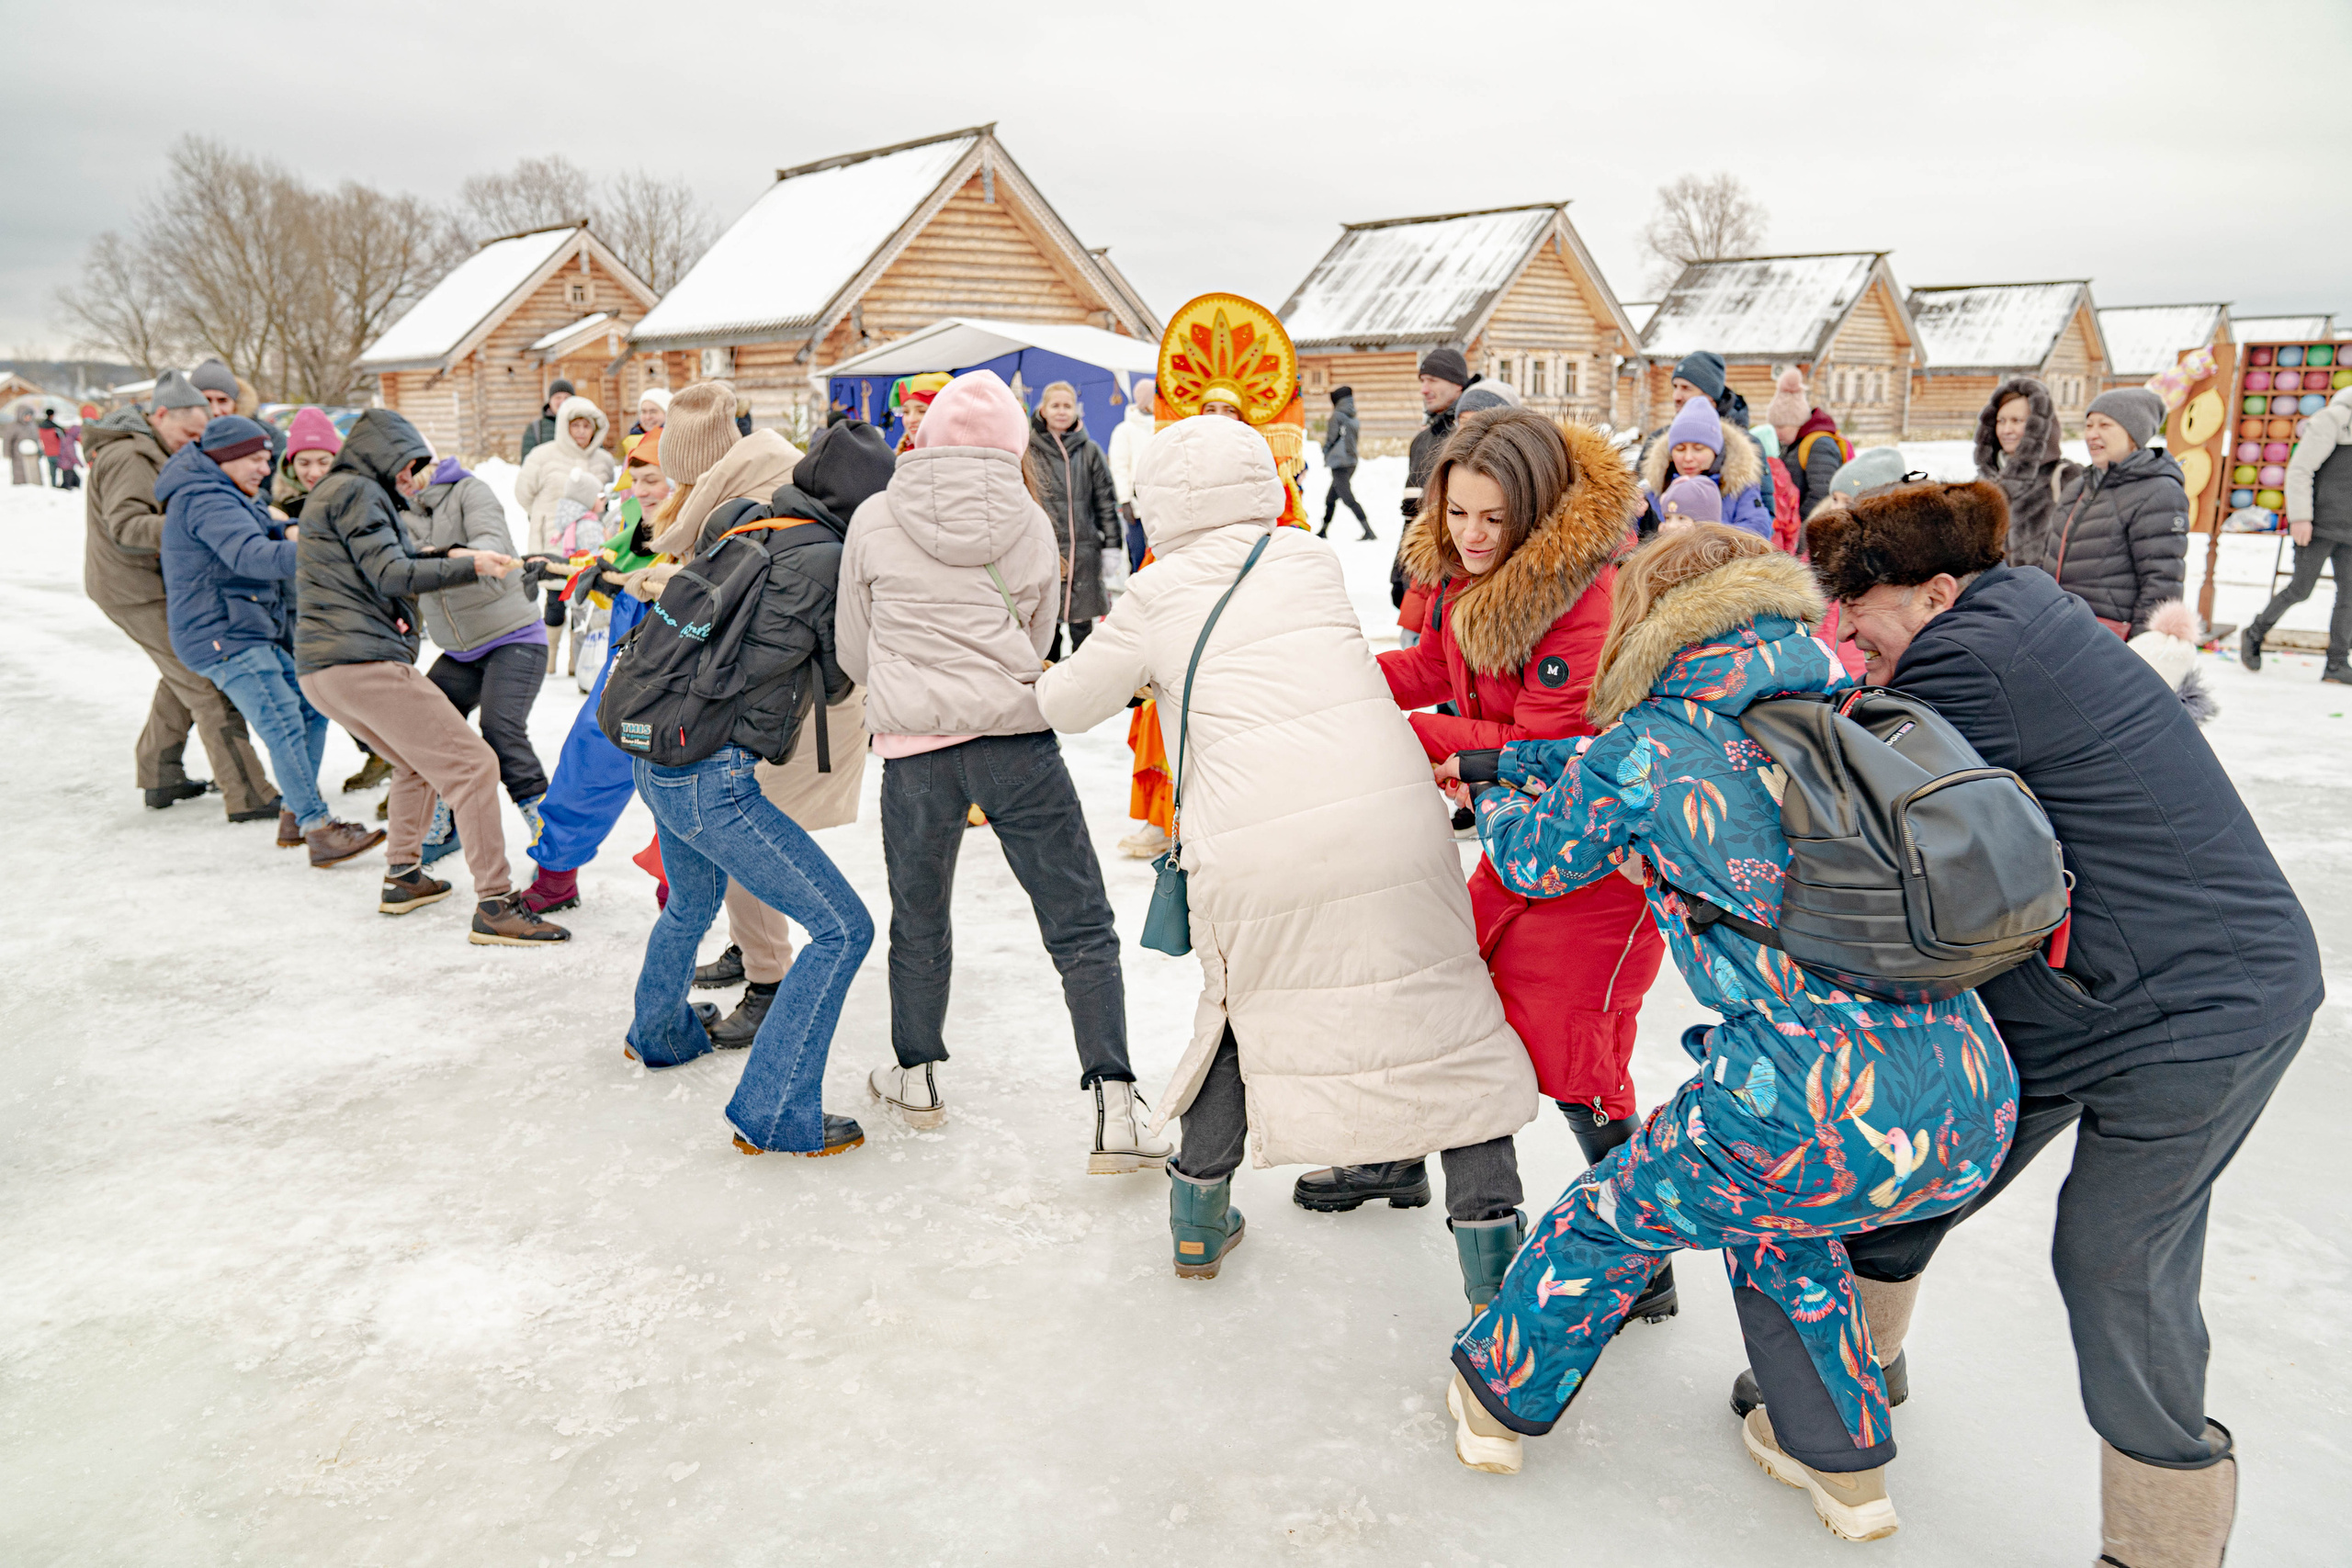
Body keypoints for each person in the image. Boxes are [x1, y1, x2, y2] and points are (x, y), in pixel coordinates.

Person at [1448, 525, 2017, 1547]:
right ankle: (1843, 1466)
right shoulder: (1843, 706)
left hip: (1804, 1096)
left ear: (1649, 622)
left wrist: (1491, 785)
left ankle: (1494, 1399)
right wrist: (1529, 755)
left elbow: (1535, 862)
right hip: (1968, 1090)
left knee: (1611, 1218)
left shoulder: (1648, 745)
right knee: (1784, 1225)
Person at [1792, 481, 2322, 1566]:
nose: (1845, 630)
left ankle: (2165, 1536)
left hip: (2199, 1011)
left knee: (2115, 1260)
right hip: (2089, 985)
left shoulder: (1967, 662)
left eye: (1862, 607)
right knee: (1932, 1158)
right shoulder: (2011, 620)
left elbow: (1879, 827)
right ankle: (1849, 1387)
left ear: (1937, 592)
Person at [1036, 413, 1540, 1303]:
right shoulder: (1307, 559)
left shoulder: (1155, 594)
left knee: (1246, 1013)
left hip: (1260, 843)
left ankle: (1197, 1219)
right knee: (1438, 1013)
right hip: (1390, 814)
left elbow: (1067, 704)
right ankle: (1493, 1260)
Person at [1314, 407, 1675, 1305]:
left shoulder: (1581, 593)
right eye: (1457, 514)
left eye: (1491, 519)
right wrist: (1335, 675)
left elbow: (1551, 742)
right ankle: (1399, 1159)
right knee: (1445, 995)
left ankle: (1645, 1260)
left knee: (1575, 1060)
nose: (1470, 537)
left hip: (1597, 861)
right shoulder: (1466, 573)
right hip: (1520, 848)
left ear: (1536, 510)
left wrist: (1425, 737)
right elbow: (1437, 665)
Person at [834, 370, 1164, 1168]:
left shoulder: (875, 517)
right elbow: (1042, 634)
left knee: (920, 918)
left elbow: (853, 649)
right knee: (1079, 921)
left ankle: (916, 1076)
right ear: (1014, 443)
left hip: (914, 755)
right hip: (1018, 745)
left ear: (929, 433)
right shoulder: (1030, 518)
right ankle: (1115, 1104)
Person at [619, 393, 874, 1161]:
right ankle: (774, 1112)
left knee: (693, 898)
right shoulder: (826, 558)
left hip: (652, 747)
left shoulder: (741, 523)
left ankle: (658, 1032)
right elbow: (840, 679)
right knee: (843, 928)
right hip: (709, 777)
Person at [292, 409, 568, 946]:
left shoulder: (336, 492)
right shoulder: (357, 492)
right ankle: (496, 903)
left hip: (323, 670)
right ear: (382, 456)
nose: (409, 478)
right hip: (361, 663)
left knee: (414, 764)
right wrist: (470, 566)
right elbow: (393, 571)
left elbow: (392, 560)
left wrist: (457, 555)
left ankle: (404, 877)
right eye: (404, 466)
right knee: (474, 764)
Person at [157, 414, 384, 866]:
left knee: (311, 707)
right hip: (220, 633)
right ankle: (317, 828)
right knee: (281, 721)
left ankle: (293, 814)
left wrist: (290, 529)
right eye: (257, 460)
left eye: (267, 459)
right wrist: (326, 548)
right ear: (228, 458)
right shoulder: (205, 498)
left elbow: (262, 528)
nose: (266, 468)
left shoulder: (228, 491)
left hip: (245, 625)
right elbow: (252, 555)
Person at [83, 370, 278, 818]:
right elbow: (127, 527)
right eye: (188, 434)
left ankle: (159, 774)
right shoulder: (130, 455)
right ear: (161, 415)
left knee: (183, 673)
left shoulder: (154, 448)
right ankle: (249, 796)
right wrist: (199, 527)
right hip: (134, 589)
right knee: (207, 682)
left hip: (158, 582)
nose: (192, 444)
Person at [513, 435, 673, 916]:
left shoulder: (708, 525)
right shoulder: (636, 525)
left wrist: (627, 585)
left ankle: (683, 898)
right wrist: (555, 569)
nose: (642, 491)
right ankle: (556, 876)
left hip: (683, 679)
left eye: (653, 479)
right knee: (585, 764)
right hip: (626, 671)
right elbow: (609, 570)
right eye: (636, 480)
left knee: (680, 791)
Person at [412, 455, 550, 843]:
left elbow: (491, 544)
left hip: (513, 636)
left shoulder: (469, 491)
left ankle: (552, 836)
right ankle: (441, 828)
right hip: (459, 650)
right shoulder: (394, 508)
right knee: (428, 728)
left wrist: (441, 556)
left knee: (501, 730)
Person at [2041, 389, 2188, 637]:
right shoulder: (2080, 485)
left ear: (2134, 433)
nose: (2091, 434)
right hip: (2060, 629)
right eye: (2088, 425)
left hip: (2109, 638)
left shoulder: (2159, 491)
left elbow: (2161, 582)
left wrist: (2141, 649)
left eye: (2105, 425)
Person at [2245, 382, 2352, 682]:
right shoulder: (2334, 419)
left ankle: (2336, 664)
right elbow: (2300, 469)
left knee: (2350, 596)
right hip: (2318, 525)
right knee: (2301, 589)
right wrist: (2301, 517)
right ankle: (2254, 633)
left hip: (2350, 529)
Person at [1026, 381, 1119, 660]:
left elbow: (1105, 500)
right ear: (1043, 409)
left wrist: (1112, 545)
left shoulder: (1089, 450)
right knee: (1047, 623)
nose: (1062, 412)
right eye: (1056, 405)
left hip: (1084, 550)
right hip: (1046, 549)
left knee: (1083, 626)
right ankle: (1046, 676)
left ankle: (1083, 682)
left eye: (1067, 406)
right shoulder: (1030, 448)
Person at [1390, 346, 1476, 636]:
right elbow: (1411, 518)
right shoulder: (1422, 441)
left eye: (1431, 380)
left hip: (1456, 580)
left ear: (1457, 383)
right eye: (1421, 381)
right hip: (1418, 582)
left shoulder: (1470, 437)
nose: (1424, 390)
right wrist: (1399, 574)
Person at [1640, 350, 1777, 519]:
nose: (1676, 396)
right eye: (1675, 387)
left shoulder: (1746, 445)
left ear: (1710, 395)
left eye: (1686, 388)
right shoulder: (1657, 442)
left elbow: (1764, 514)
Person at [1973, 375, 2080, 572]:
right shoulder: (1983, 484)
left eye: (2017, 421)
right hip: (1991, 599)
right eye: (2001, 421)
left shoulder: (2064, 478)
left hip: (2045, 597)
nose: (2006, 430)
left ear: (2037, 427)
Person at [1638, 395, 1770, 537]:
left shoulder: (1739, 487)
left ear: (1716, 451)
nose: (1688, 458)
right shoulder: (1656, 487)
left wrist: (1703, 532)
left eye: (1698, 449)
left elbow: (1758, 531)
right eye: (1680, 449)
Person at [514, 392, 615, 553]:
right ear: (564, 426)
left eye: (587, 426)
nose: (581, 431)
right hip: (550, 537)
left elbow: (606, 496)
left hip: (592, 541)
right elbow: (523, 493)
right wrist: (543, 516)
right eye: (575, 425)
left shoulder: (604, 461)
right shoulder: (541, 456)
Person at [1764, 367, 1848, 525]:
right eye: (1774, 426)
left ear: (1797, 422)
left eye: (1782, 426)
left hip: (1811, 528)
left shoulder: (1819, 445)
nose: (1777, 433)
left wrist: (1798, 526)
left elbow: (1822, 494)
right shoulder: (1793, 444)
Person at [1105, 376, 1156, 570]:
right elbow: (1119, 466)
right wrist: (1124, 499)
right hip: (1136, 506)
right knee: (1138, 552)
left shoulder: (1161, 425)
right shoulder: (1124, 430)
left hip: (1160, 503)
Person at [1317, 384, 1372, 539]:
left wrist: (1326, 451)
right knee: (1330, 498)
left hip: (1339, 463)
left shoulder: (1337, 416)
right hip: (1351, 461)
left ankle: (1369, 531)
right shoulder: (1353, 416)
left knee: (1348, 498)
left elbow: (1331, 438)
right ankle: (1323, 530)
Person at [271, 408, 343, 521]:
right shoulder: (280, 510)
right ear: (291, 467)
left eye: (323, 463)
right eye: (304, 464)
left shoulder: (358, 499)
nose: (314, 473)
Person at [890, 372, 950, 454]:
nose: (911, 419)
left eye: (922, 411)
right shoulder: (894, 459)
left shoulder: (958, 458)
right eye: (906, 412)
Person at [519, 379, 576, 461]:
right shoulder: (535, 428)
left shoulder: (585, 426)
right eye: (558, 397)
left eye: (566, 397)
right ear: (550, 401)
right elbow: (527, 464)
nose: (562, 402)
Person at [51, 411, 81, 491]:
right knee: (71, 483)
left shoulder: (66, 436)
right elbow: (70, 452)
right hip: (67, 463)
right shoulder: (69, 439)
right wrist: (78, 462)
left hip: (65, 463)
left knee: (72, 481)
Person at [7, 406, 37, 485]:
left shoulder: (32, 425)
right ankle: (19, 485)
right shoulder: (14, 426)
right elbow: (8, 440)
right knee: (19, 471)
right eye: (26, 416)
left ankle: (33, 484)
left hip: (31, 453)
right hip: (18, 453)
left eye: (30, 416)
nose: (28, 417)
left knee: (32, 470)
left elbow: (36, 438)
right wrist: (8, 453)